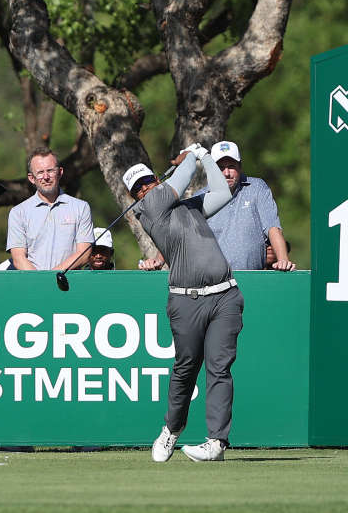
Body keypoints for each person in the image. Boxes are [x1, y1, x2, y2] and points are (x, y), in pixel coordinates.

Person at [127, 144, 241, 464]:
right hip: (186, 301)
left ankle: (216, 442)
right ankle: (171, 429)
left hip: (224, 297)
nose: (147, 187)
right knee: (185, 369)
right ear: (136, 197)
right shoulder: (150, 210)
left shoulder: (189, 206)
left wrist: (205, 157)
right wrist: (190, 154)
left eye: (149, 180)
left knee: (219, 369)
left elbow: (222, 192)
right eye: (139, 187)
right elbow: (182, 176)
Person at [202, 141, 293, 272]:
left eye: (231, 166)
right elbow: (178, 232)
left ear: (240, 166)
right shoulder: (201, 197)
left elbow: (273, 228)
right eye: (220, 167)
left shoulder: (257, 188)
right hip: (213, 283)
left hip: (252, 279)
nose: (226, 173)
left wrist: (283, 260)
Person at [6, 149, 95, 271]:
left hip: (68, 285)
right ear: (32, 178)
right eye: (40, 172)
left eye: (50, 171)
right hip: (32, 285)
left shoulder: (81, 208)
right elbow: (18, 258)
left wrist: (53, 276)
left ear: (60, 172)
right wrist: (41, 282)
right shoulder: (18, 212)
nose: (46, 177)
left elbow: (84, 254)